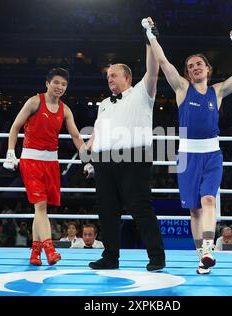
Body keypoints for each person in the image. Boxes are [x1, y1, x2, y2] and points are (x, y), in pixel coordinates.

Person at [144, 17, 232, 273]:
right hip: (188, 155)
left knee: (209, 201)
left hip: (212, 155)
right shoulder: (182, 88)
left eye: (199, 64)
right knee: (194, 211)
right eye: (191, 66)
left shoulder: (219, 91)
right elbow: (164, 63)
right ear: (188, 72)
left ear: (208, 68)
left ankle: (208, 249)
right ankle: (202, 257)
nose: (195, 68)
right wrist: (151, 34)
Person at [84, 19, 165, 272]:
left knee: (141, 210)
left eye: (114, 75)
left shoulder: (142, 92)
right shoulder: (104, 104)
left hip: (134, 158)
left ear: (127, 77)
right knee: (107, 213)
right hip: (104, 162)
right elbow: (98, 132)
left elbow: (153, 70)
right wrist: (90, 159)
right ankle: (110, 258)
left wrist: (149, 37)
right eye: (107, 76)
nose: (109, 79)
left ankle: (157, 257)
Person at [3, 68, 86, 265]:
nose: (60, 87)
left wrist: (87, 158)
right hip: (31, 160)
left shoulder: (65, 110)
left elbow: (76, 136)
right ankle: (50, 250)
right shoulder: (34, 101)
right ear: (47, 83)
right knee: (41, 206)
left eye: (64, 84)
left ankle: (34, 254)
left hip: (51, 163)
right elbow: (15, 126)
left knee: (40, 210)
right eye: (56, 82)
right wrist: (10, 152)